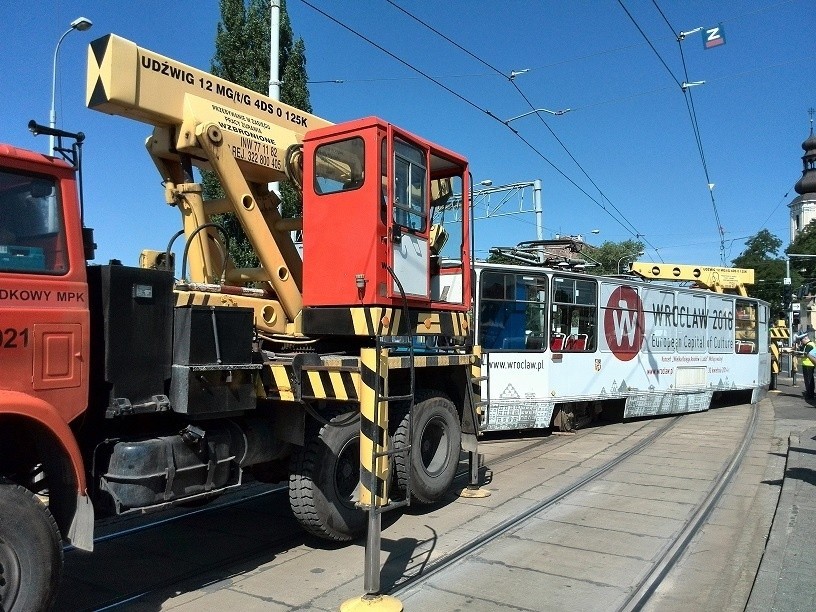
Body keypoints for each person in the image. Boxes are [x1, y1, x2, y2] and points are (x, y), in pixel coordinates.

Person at [796, 332, 816, 400]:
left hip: (809, 364)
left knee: (809, 380)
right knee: (807, 380)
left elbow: (805, 354)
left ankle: (810, 394)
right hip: (806, 364)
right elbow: (801, 351)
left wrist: (796, 354)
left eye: (801, 340)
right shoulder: (807, 344)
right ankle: (809, 393)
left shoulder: (810, 345)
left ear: (805, 338)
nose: (801, 342)